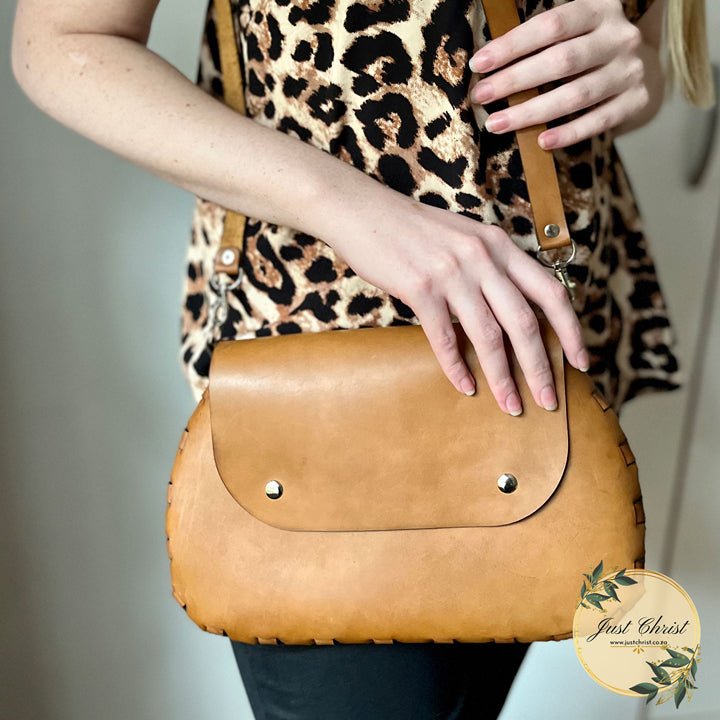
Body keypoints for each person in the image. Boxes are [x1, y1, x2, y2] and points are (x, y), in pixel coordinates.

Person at [10, 0, 714, 718]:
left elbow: (643, 56)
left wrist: (635, 74)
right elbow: (60, 43)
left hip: (539, 366)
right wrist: (351, 209)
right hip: (323, 403)